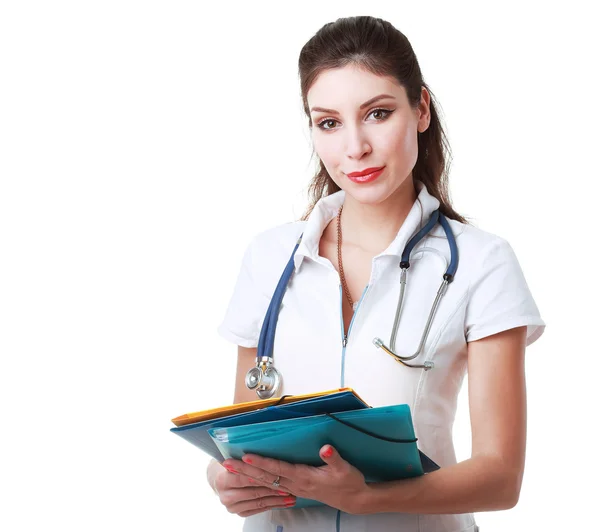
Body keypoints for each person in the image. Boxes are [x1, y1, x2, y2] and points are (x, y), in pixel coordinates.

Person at [205, 15, 545, 532]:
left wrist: (367, 498)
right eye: (329, 122)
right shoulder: (269, 256)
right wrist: (225, 477)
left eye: (378, 113)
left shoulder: (482, 263)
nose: (355, 148)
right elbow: (241, 432)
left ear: (421, 109)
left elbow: (500, 478)